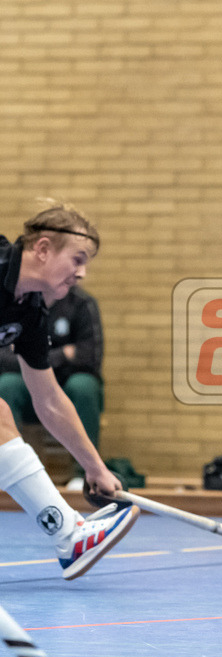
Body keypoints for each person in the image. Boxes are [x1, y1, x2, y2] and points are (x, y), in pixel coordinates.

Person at [0, 200, 138, 580]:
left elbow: (50, 400)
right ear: (42, 249)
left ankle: (69, 537)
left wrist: (95, 467)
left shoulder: (28, 311)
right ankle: (68, 535)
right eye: (77, 259)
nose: (82, 273)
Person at [0, 284, 105, 452]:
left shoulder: (82, 303)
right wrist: (63, 354)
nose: (81, 272)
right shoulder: (16, 303)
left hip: (67, 389)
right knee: (7, 384)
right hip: (30, 390)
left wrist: (28, 355)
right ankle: (6, 467)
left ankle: (84, 474)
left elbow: (89, 358)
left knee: (84, 385)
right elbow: (3, 358)